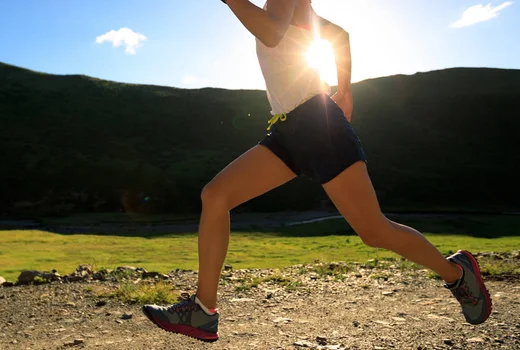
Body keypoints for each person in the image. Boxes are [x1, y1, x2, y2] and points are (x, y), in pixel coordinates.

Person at [142, 0, 492, 342]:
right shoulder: (289, 6)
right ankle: (204, 310)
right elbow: (339, 34)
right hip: (288, 129)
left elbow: (272, 33)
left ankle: (457, 273)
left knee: (373, 230)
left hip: (318, 125)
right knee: (216, 195)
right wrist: (345, 89)